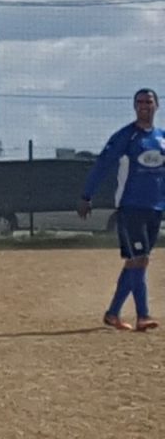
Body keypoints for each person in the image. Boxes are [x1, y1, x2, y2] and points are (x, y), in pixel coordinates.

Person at [79, 88, 165, 332]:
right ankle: (143, 315)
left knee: (136, 262)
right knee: (140, 259)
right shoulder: (125, 137)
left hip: (155, 208)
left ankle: (112, 313)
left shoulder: (161, 137)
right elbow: (102, 165)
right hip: (130, 207)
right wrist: (87, 195)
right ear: (134, 106)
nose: (144, 106)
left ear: (157, 105)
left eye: (148, 101)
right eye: (139, 102)